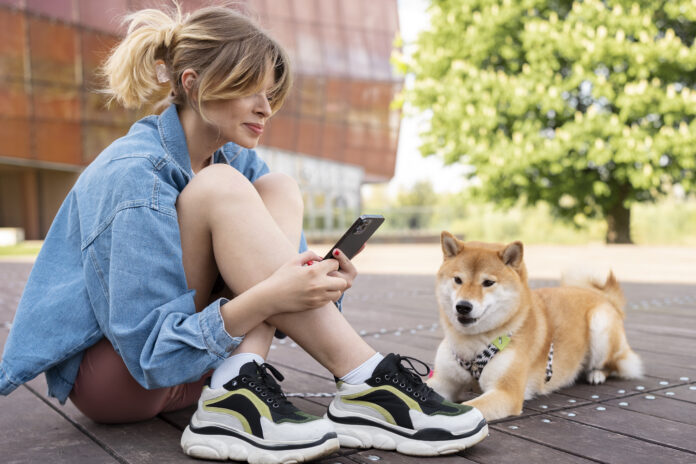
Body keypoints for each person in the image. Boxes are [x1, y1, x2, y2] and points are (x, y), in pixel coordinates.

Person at [0, 4, 487, 462]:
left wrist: (317, 282)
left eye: (271, 93)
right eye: (250, 90)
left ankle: (239, 385)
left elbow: (286, 295)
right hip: (124, 379)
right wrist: (276, 290)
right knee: (220, 188)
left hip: (205, 367)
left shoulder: (238, 160)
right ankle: (366, 379)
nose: (266, 108)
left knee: (277, 186)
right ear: (193, 83)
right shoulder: (135, 175)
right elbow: (151, 355)